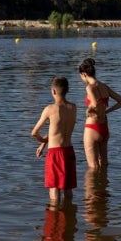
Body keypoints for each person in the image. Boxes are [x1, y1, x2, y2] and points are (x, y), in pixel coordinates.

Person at [31, 76, 77, 204]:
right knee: (68, 189)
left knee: (54, 189)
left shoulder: (50, 109)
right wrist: (43, 144)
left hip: (55, 154)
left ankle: (54, 218)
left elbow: (34, 132)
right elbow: (57, 130)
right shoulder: (73, 108)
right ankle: (69, 216)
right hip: (69, 151)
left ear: (53, 91)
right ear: (67, 90)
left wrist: (41, 140)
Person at [78, 58, 121, 169]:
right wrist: (107, 111)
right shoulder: (104, 86)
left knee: (93, 167)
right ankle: (103, 184)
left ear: (84, 74)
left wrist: (88, 109)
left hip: (92, 127)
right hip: (104, 126)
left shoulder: (89, 87)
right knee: (104, 164)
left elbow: (94, 104)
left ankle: (92, 186)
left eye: (81, 76)